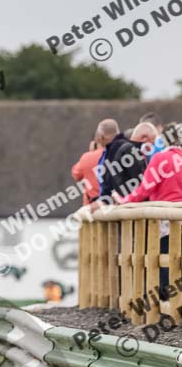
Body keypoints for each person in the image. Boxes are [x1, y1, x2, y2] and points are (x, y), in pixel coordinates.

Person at [113, 142, 182, 297]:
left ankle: (167, 306)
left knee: (165, 261)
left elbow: (145, 188)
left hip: (167, 218)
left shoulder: (161, 158)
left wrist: (124, 201)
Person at [100, 124, 149, 198]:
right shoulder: (127, 149)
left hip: (120, 198)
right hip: (130, 199)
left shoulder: (114, 148)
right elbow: (139, 179)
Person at [71, 138, 103, 204]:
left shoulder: (87, 157)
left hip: (93, 205)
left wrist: (92, 152)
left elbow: (76, 174)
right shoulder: (116, 153)